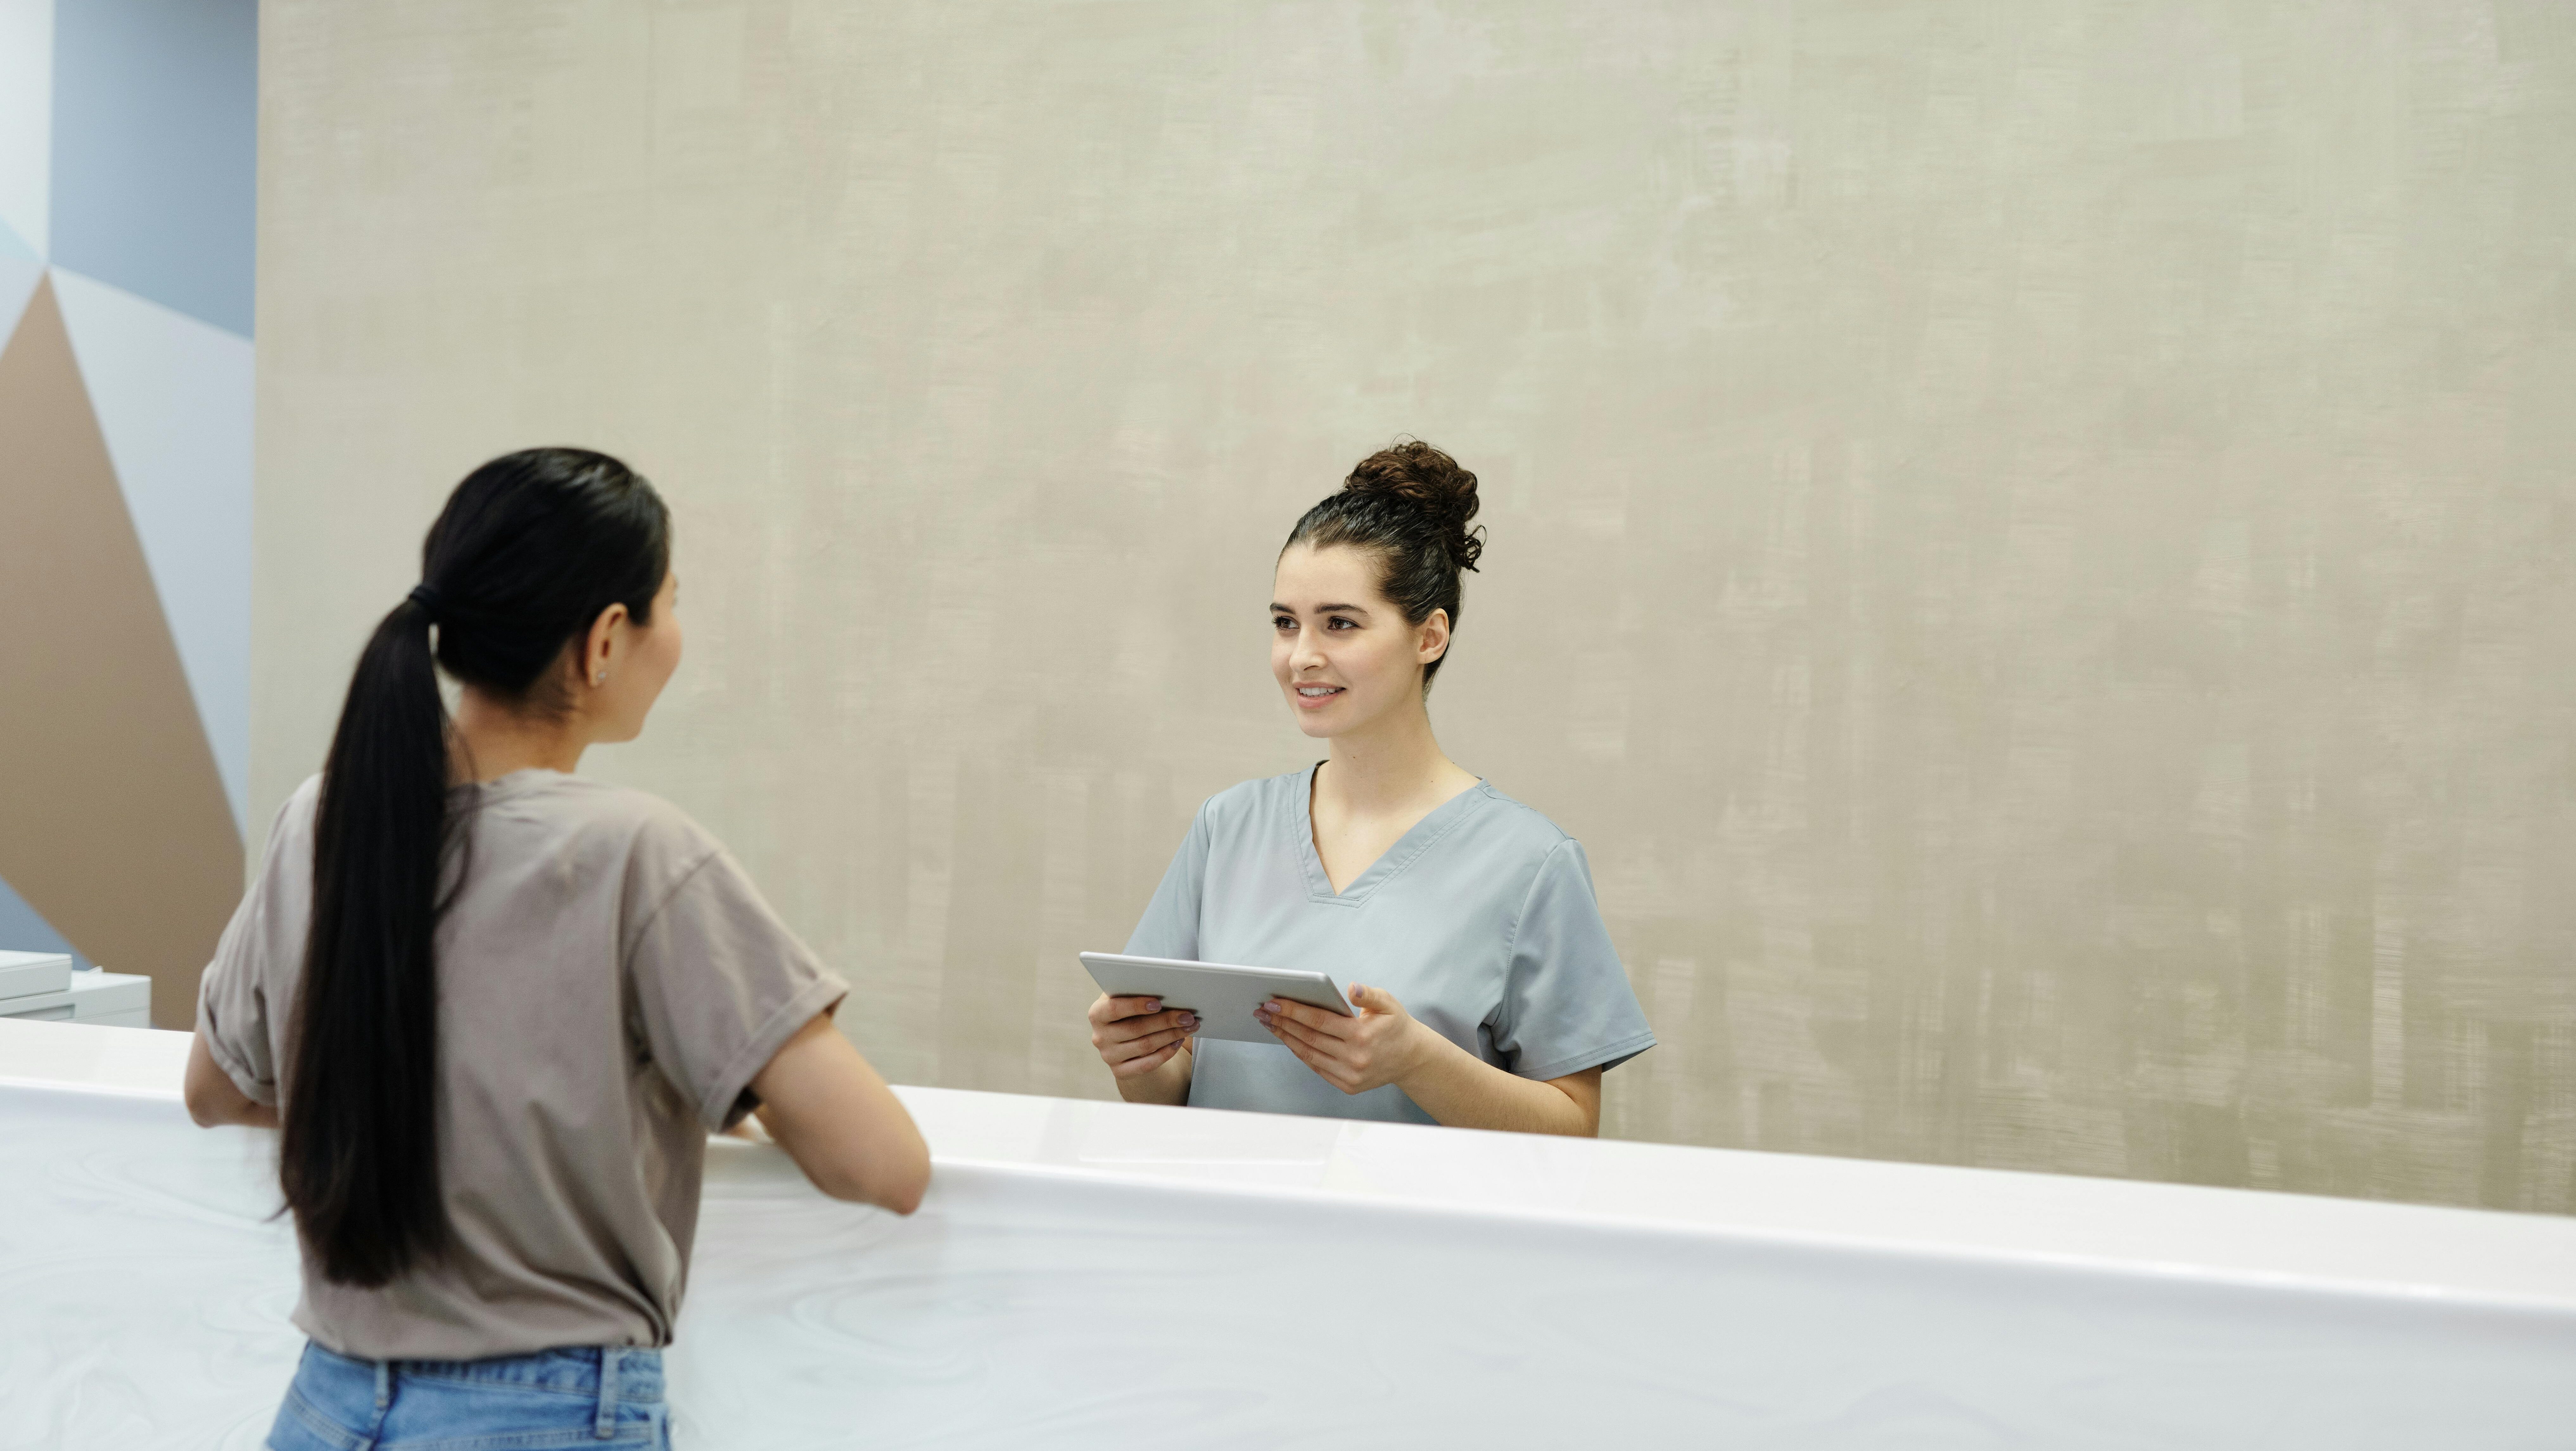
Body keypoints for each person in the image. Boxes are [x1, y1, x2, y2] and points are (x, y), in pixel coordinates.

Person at [183, 448, 928, 1449]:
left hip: (325, 1404)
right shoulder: (637, 852)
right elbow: (885, 1162)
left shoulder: (321, 817)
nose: (679, 637)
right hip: (544, 1417)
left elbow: (218, 1090)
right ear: (607, 641)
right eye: (671, 604)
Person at [1088, 441, 1653, 1132]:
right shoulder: (1227, 826)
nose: (1302, 656)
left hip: (1415, 1240)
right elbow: (1178, 1090)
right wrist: (1138, 1061)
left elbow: (1572, 1126)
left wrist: (1416, 1060)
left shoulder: (1530, 862)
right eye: (1284, 623)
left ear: (1429, 636)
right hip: (1227, 1236)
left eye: (1340, 623)